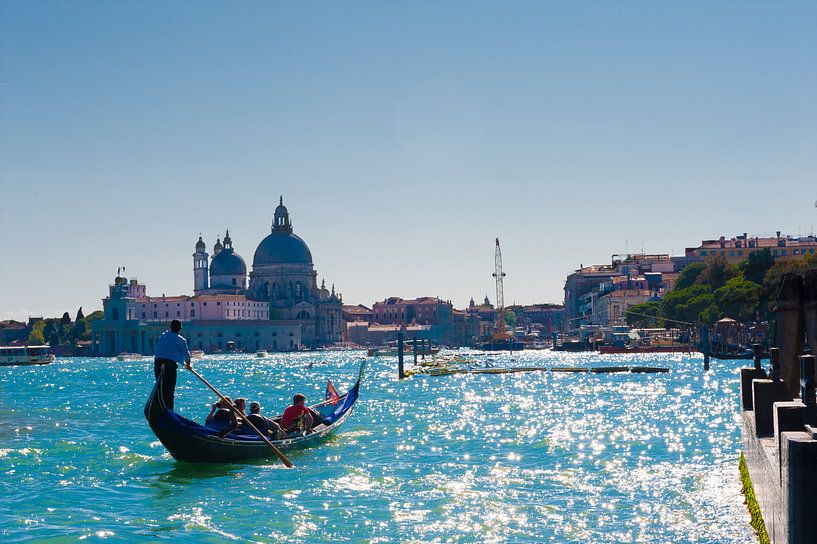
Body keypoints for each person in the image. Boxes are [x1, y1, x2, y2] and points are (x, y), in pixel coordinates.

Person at [153, 319, 192, 411]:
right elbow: (187, 355)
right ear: (180, 329)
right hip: (169, 365)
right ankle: (169, 410)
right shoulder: (181, 339)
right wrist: (188, 365)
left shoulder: (163, 335)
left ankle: (160, 408)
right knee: (169, 389)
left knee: (160, 387)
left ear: (170, 327)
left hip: (158, 363)